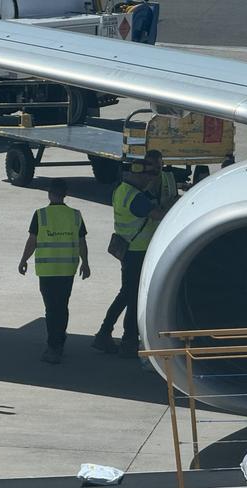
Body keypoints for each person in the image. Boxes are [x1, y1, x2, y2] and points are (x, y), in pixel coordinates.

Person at [93, 150, 171, 358]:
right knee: (130, 296)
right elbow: (159, 216)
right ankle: (120, 338)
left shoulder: (123, 190)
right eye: (147, 177)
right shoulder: (136, 199)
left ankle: (108, 334)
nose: (149, 181)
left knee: (127, 294)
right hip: (137, 252)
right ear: (138, 175)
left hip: (129, 249)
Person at [18, 178, 90, 364]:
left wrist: (23, 260)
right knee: (62, 306)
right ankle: (59, 340)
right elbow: (82, 242)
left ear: (49, 193)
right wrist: (86, 263)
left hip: (47, 270)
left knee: (51, 309)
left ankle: (53, 346)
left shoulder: (40, 215)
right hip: (68, 270)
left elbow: (32, 241)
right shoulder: (75, 215)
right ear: (65, 194)